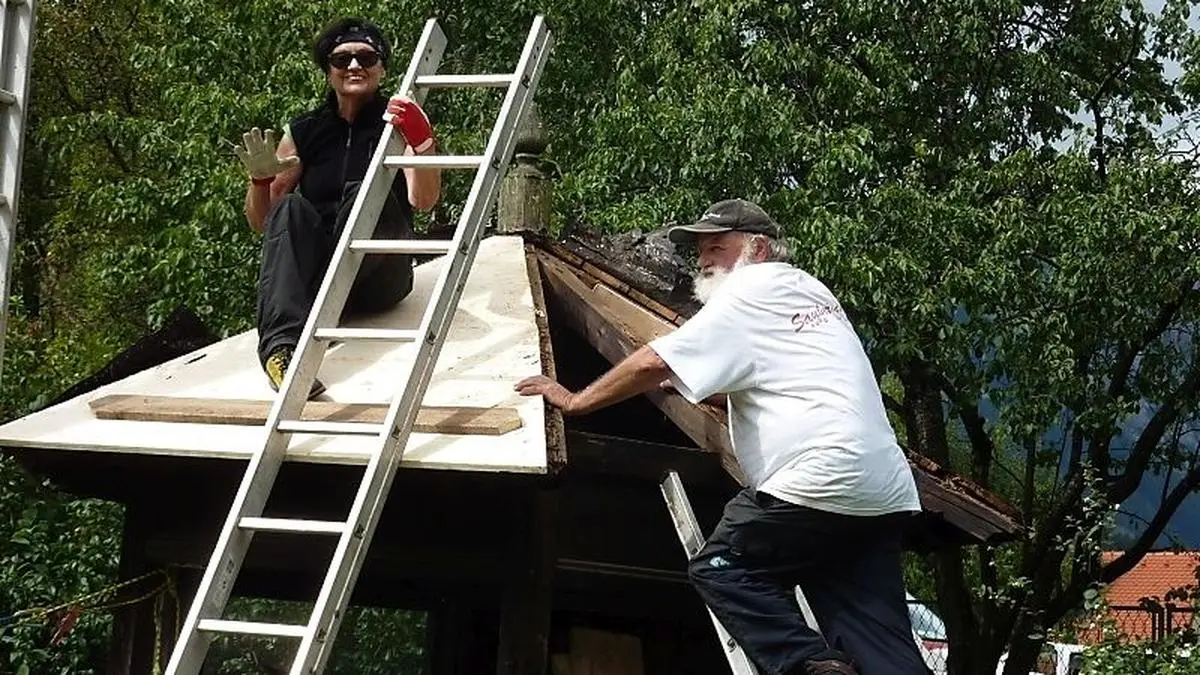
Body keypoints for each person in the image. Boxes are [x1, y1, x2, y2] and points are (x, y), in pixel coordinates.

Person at [515, 198, 929, 675]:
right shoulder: (810, 291)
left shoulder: (749, 289)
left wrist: (576, 401)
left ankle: (811, 664)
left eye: (716, 247)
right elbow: (774, 381)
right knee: (877, 639)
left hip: (817, 479)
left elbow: (654, 360)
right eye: (699, 251)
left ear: (758, 248)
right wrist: (692, 386)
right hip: (882, 493)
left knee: (723, 568)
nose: (703, 260)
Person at [234, 17, 442, 397]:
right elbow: (266, 222)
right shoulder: (305, 130)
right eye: (342, 59)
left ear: (382, 68)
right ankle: (281, 354)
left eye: (366, 57)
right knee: (290, 207)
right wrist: (260, 183)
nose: (354, 66)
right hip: (322, 278)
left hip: (380, 276)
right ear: (328, 71)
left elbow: (423, 201)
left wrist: (423, 145)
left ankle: (322, 302)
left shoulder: (397, 123)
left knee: (365, 192)